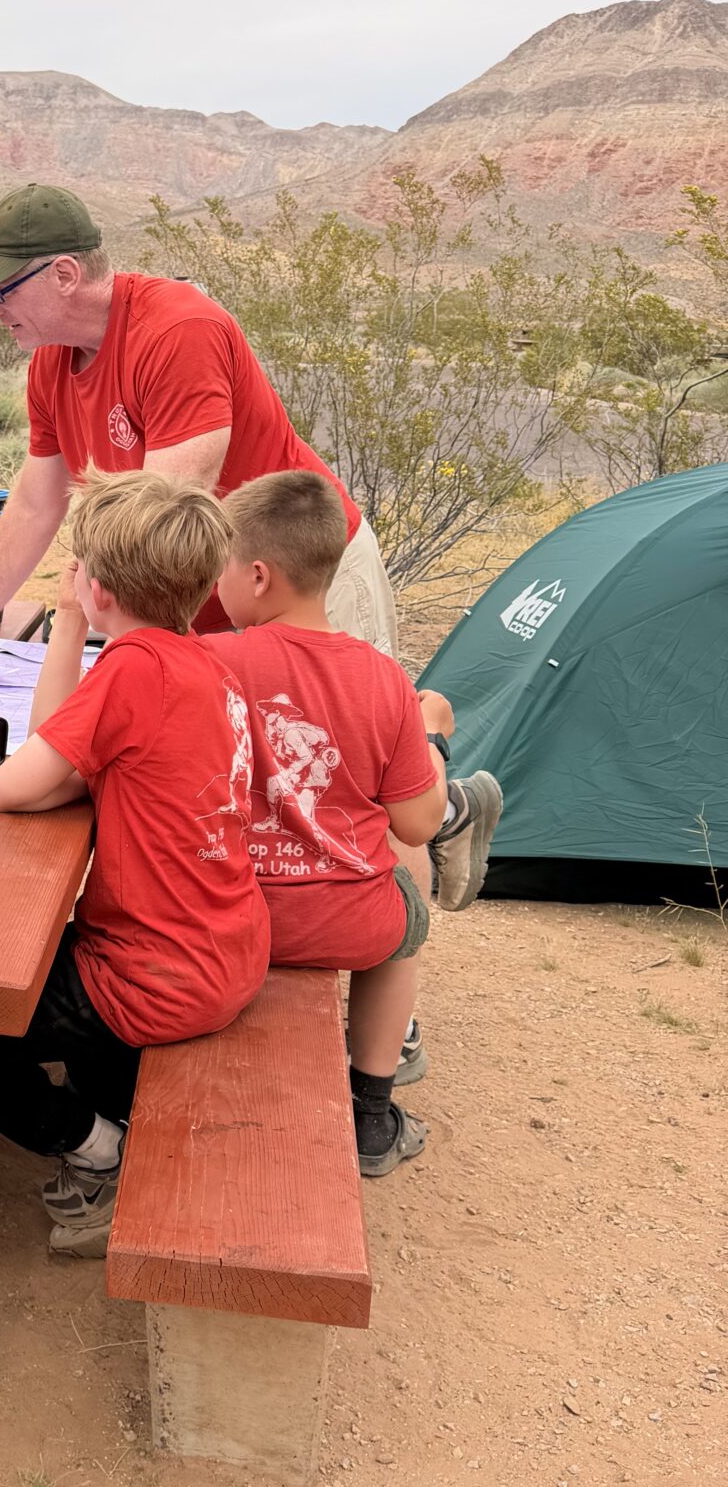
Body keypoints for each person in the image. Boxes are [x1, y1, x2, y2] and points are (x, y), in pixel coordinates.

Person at [0, 475, 269, 1260]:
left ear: (98, 586)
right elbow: (66, 754)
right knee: (20, 966)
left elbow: (17, 785)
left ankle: (98, 1147)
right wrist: (69, 625)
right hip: (225, 947)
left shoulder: (134, 669)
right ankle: (106, 1112)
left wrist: (68, 628)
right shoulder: (201, 666)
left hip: (153, 974)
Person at [0, 184, 398, 655]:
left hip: (307, 583)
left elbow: (165, 521)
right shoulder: (50, 361)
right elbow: (37, 504)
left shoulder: (179, 331)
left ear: (64, 274)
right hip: (203, 607)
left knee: (340, 716)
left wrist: (115, 649)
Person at [210, 471, 504, 1133]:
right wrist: (431, 739)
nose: (213, 582)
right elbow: (416, 824)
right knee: (407, 915)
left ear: (257, 576)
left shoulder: (207, 659)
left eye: (219, 566)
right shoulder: (384, 679)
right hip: (346, 924)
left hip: (227, 912)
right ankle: (371, 1111)